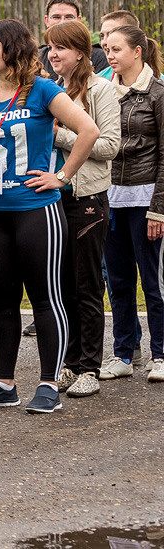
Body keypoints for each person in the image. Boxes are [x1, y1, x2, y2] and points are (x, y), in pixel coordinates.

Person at [0, 19, 99, 415]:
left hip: (37, 212)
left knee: (46, 299)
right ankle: (4, 383)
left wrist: (62, 177)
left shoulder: (43, 90)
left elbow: (88, 130)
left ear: (12, 50)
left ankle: (49, 384)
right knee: (1, 301)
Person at [45, 20, 120, 397]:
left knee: (88, 284)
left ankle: (90, 366)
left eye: (60, 48)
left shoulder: (103, 90)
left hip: (89, 200)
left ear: (80, 52)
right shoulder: (52, 91)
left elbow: (108, 146)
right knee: (62, 285)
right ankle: (70, 364)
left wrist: (60, 134)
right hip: (54, 199)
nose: (53, 54)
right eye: (50, 48)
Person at [99, 24, 164, 383]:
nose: (109, 55)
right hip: (111, 198)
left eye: (116, 49)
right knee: (119, 281)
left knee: (153, 281)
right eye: (107, 49)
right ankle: (123, 353)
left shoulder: (158, 93)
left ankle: (161, 354)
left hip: (146, 198)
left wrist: (159, 208)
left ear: (137, 51)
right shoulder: (104, 91)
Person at [39, 0, 108, 78]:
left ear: (79, 21)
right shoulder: (37, 58)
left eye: (69, 17)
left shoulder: (99, 58)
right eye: (56, 17)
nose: (62, 22)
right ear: (46, 21)